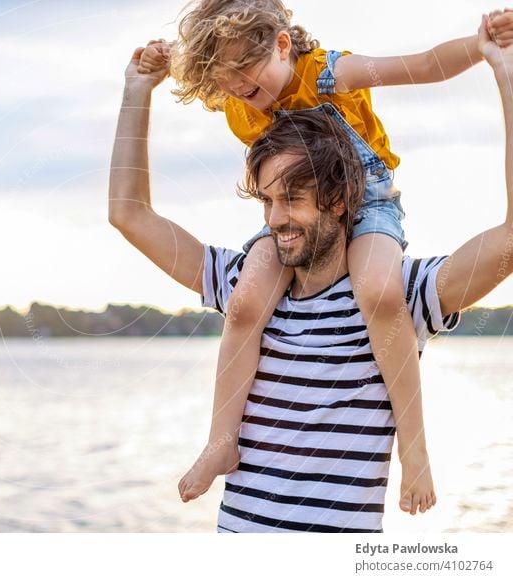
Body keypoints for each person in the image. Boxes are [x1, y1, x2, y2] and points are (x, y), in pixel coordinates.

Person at [108, 16, 513, 532]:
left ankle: (417, 450)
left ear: (341, 200)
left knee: (376, 292)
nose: (275, 220)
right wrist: (137, 89)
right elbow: (128, 214)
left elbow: (422, 68)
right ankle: (219, 441)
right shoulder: (244, 286)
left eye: (294, 198)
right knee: (246, 304)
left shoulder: (403, 294)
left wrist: (501, 68)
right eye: (267, 201)